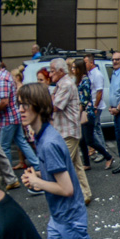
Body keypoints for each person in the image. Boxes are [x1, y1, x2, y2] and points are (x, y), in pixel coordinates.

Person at [17, 84, 120, 239]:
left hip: (69, 218)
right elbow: (58, 175)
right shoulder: (42, 135)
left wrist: (37, 182)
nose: (20, 109)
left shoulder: (48, 142)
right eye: (19, 104)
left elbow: (66, 188)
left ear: (38, 107)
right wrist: (39, 176)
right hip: (60, 217)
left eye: (25, 105)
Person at [0, 58, 41, 185]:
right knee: (22, 142)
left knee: (4, 147)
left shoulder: (1, 79)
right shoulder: (6, 75)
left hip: (8, 118)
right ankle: (37, 165)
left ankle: (9, 176)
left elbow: (4, 102)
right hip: (13, 116)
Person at [49, 58, 93, 206]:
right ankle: (85, 193)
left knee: (63, 165)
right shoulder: (61, 84)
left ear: (61, 71)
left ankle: (71, 195)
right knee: (76, 165)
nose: (50, 74)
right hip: (65, 131)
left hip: (68, 132)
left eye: (52, 71)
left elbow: (55, 107)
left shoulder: (66, 85)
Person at [76, 58, 113, 172]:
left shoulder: (86, 80)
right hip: (84, 111)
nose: (72, 70)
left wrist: (91, 107)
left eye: (74, 68)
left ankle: (108, 156)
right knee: (82, 140)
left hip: (88, 112)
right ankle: (86, 163)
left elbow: (86, 99)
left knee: (89, 140)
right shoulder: (81, 79)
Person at [84, 54, 110, 165]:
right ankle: (102, 150)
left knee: (95, 129)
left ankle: (102, 152)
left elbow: (99, 92)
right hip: (92, 105)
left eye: (86, 62)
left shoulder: (97, 74)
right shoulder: (90, 73)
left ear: (91, 62)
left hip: (96, 106)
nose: (84, 65)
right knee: (97, 128)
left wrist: (95, 106)